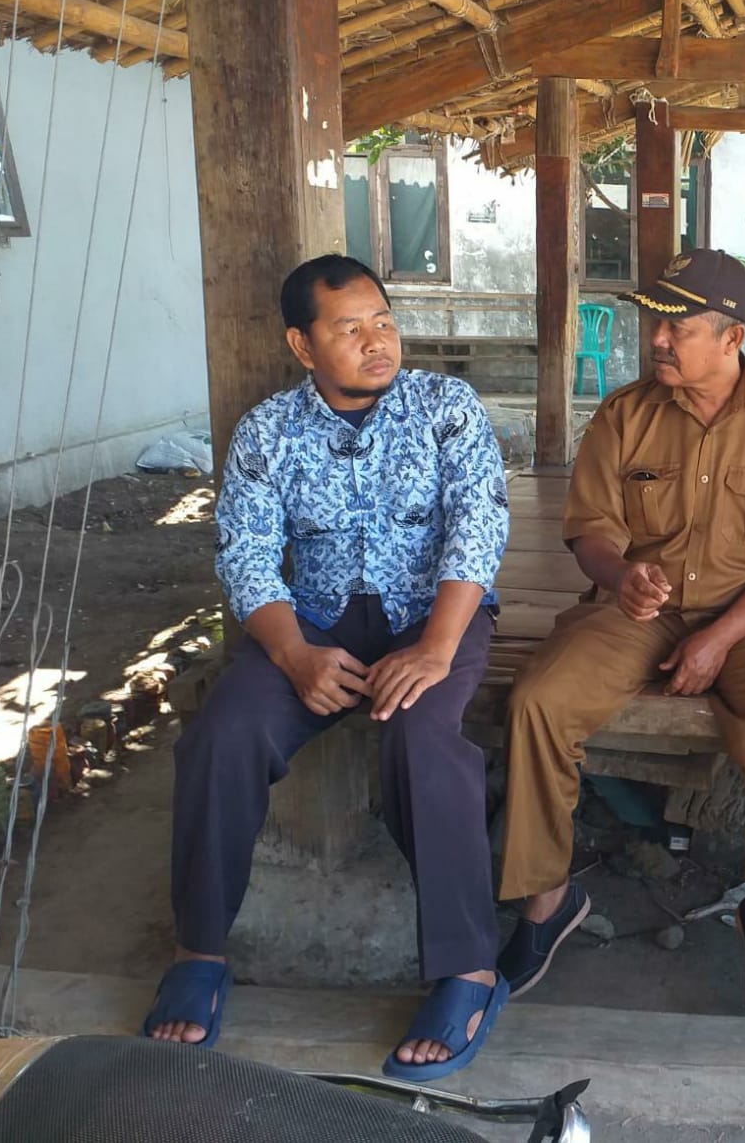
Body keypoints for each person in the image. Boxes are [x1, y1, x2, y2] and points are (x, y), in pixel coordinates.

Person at [141, 254, 511, 1082]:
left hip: (432, 614)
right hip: (312, 624)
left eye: (384, 321)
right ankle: (199, 951)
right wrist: (293, 653)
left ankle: (470, 970)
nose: (377, 341)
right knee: (223, 733)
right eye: (350, 328)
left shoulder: (445, 407)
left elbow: (479, 527)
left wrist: (436, 648)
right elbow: (245, 553)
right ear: (303, 346)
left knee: (422, 734)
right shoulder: (268, 431)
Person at [496, 248, 745, 1019]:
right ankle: (547, 898)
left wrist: (721, 638)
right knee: (538, 700)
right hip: (637, 611)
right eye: (655, 322)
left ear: (731, 337)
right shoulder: (625, 415)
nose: (656, 338)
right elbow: (590, 529)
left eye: (677, 326)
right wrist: (621, 575)